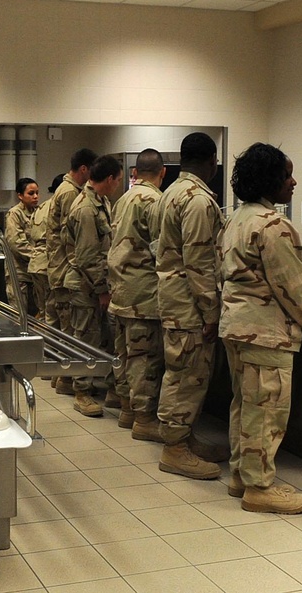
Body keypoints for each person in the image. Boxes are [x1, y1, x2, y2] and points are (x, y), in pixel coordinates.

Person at [220, 143, 302, 514]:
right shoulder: (273, 225)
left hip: (237, 328)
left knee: (245, 406)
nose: (294, 182)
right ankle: (259, 487)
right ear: (271, 179)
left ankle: (241, 475)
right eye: (287, 175)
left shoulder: (236, 218)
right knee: (266, 411)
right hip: (265, 332)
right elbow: (291, 286)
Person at [155, 132, 229, 479]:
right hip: (189, 305)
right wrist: (211, 312)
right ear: (211, 160)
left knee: (184, 371)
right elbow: (199, 263)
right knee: (188, 374)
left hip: (174, 298)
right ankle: (174, 449)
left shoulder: (170, 192)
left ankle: (184, 437)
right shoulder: (198, 201)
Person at [107, 148, 166, 437]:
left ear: (135, 172)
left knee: (125, 353)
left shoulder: (123, 199)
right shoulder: (155, 200)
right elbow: (160, 249)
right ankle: (144, 418)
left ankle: (128, 409)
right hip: (144, 293)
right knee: (144, 357)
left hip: (120, 288)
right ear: (162, 172)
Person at [63, 155, 123, 417]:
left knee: (103, 337)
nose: (119, 184)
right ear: (109, 179)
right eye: (119, 180)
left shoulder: (101, 202)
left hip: (97, 282)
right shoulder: (86, 208)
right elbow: (87, 257)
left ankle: (105, 387)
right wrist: (101, 290)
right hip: (86, 286)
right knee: (85, 339)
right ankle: (82, 392)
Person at [46, 149, 98, 397]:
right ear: (85, 169)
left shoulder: (68, 191)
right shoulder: (70, 193)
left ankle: (62, 378)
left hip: (62, 267)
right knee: (70, 330)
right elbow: (72, 239)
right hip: (65, 268)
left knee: (66, 328)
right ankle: (66, 380)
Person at [4, 177, 39, 312]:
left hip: (34, 272)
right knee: (19, 314)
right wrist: (37, 255)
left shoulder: (38, 212)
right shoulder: (15, 214)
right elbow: (16, 243)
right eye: (31, 193)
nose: (35, 196)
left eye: (37, 192)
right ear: (20, 195)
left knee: (36, 315)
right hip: (19, 272)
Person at [27, 176, 59, 322]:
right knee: (52, 312)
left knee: (42, 310)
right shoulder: (57, 207)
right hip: (48, 263)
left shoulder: (41, 207)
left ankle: (41, 341)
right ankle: (49, 344)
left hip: (35, 264)